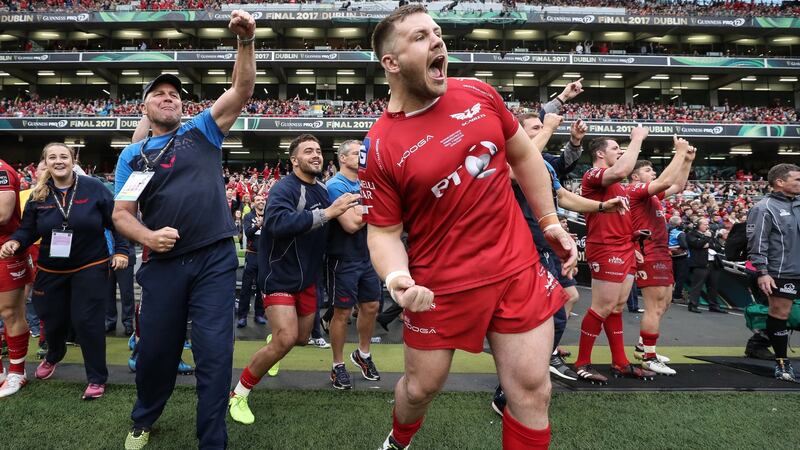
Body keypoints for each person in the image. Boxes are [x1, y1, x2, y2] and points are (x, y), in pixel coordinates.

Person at [362, 6, 577, 449]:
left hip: (516, 269)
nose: (437, 41)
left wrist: (550, 220)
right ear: (391, 62)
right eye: (421, 37)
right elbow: (383, 233)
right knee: (420, 389)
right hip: (440, 286)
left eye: (437, 33)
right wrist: (398, 279)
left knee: (532, 391)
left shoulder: (480, 94)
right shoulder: (380, 145)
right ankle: (399, 440)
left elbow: (523, 155)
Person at [113, 10, 256, 449]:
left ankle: (211, 440)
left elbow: (242, 90)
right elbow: (121, 214)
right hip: (162, 265)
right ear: (145, 107)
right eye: (158, 93)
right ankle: (144, 418)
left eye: (175, 93)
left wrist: (246, 42)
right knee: (156, 353)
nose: (169, 98)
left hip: (214, 259)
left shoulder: (201, 130)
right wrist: (147, 238)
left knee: (216, 355)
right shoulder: (133, 157)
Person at [228, 134, 357, 423]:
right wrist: (327, 214)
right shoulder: (284, 188)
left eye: (318, 151)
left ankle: (277, 337)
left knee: (298, 339)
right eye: (307, 151)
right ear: (294, 160)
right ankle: (238, 394)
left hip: (308, 280)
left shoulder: (323, 190)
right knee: (286, 339)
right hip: (279, 275)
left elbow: (341, 222)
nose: (315, 155)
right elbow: (276, 223)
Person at [1, 143, 129, 400]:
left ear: (73, 160)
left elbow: (116, 222)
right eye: (52, 157)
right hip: (51, 268)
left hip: (89, 265)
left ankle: (96, 378)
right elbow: (28, 230)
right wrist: (15, 242)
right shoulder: (38, 194)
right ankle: (55, 353)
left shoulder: (93, 188)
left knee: (86, 321)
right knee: (52, 318)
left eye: (63, 156)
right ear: (45, 163)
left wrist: (121, 250)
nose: (58, 161)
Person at [575, 128, 656, 384]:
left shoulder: (620, 188)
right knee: (603, 306)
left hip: (624, 247)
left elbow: (621, 218)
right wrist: (636, 139)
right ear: (600, 153)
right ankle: (581, 363)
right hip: (605, 247)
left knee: (618, 307)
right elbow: (621, 170)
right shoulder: (593, 175)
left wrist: (633, 240)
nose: (619, 152)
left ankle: (620, 362)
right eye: (614, 149)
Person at [626, 138, 695, 376]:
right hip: (648, 251)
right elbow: (667, 180)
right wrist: (679, 152)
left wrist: (686, 160)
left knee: (664, 303)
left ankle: (642, 345)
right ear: (635, 176)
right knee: (654, 306)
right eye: (648, 170)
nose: (652, 172)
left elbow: (678, 186)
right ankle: (648, 356)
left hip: (661, 251)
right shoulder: (634, 189)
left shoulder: (652, 195)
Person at [325, 140, 382, 390]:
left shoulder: (367, 183)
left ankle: (363, 355)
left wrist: (363, 209)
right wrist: (375, 207)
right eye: (358, 154)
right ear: (343, 158)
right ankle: (338, 365)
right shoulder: (335, 185)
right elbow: (349, 224)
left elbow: (379, 214)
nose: (362, 157)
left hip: (366, 255)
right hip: (342, 258)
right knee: (342, 313)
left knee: (371, 306)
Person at [746, 163, 800, 381]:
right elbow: (757, 243)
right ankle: (782, 363)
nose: (799, 183)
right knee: (780, 314)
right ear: (780, 182)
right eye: (797, 179)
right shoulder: (763, 208)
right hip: (780, 271)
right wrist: (762, 272)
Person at [0, 157, 34, 398]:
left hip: (5, 248)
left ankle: (17, 371)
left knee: (10, 311)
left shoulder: (1, 170)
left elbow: (3, 213)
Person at [237, 194, 267, 328]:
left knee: (262, 287)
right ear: (253, 203)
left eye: (262, 200)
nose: (261, 202)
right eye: (258, 200)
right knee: (246, 287)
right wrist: (259, 225)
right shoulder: (249, 216)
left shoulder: (269, 215)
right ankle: (242, 316)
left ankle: (259, 314)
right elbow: (248, 232)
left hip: (265, 256)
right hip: (252, 255)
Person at [686, 218, 727, 314]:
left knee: (713, 286)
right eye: (704, 224)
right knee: (697, 286)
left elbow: (717, 247)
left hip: (713, 263)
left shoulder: (710, 234)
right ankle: (693, 305)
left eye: (707, 224)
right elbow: (697, 244)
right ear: (698, 225)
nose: (707, 226)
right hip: (700, 263)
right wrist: (706, 239)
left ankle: (713, 305)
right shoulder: (691, 234)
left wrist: (706, 243)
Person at [668, 216, 690, 302]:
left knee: (672, 277)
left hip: (670, 256)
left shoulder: (668, 231)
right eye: (681, 222)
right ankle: (676, 296)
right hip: (681, 257)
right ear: (678, 224)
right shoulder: (680, 233)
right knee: (680, 277)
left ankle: (669, 294)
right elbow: (684, 245)